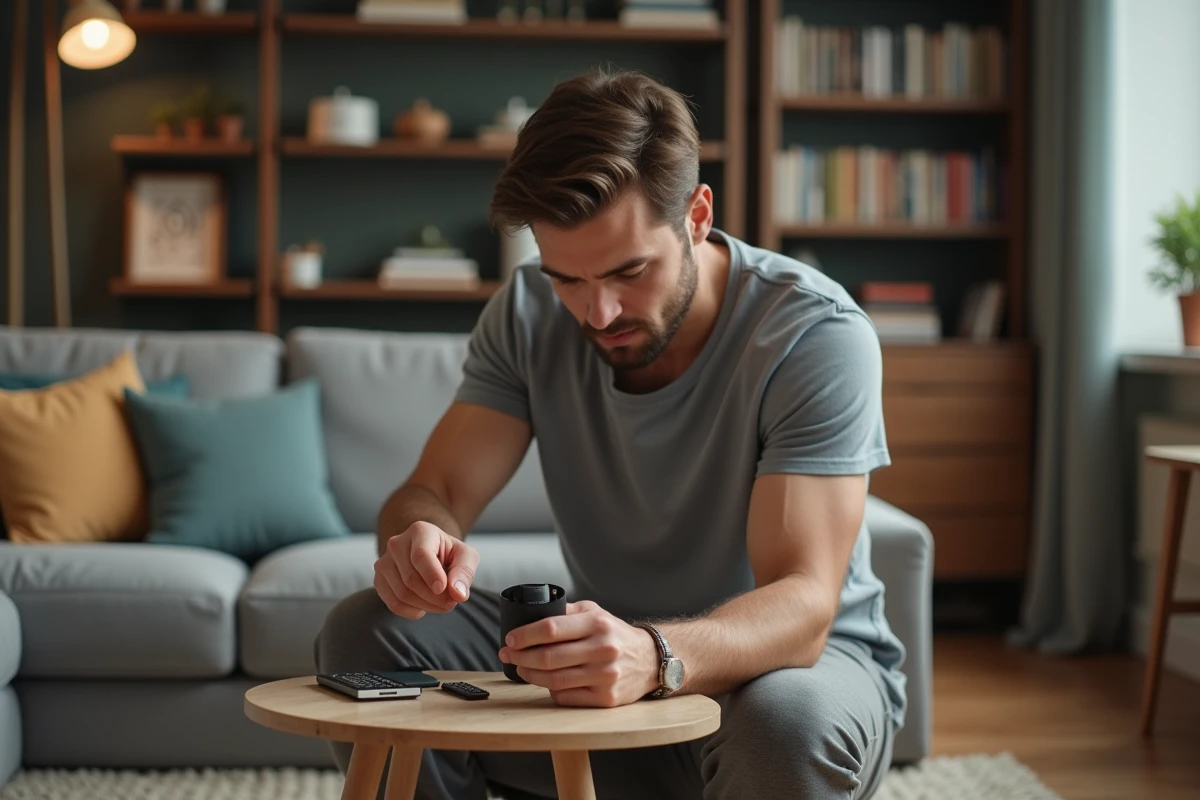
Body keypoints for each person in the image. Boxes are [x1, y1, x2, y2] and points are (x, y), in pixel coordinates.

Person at [316, 68, 906, 800]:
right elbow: (432, 491)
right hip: (610, 671)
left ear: (696, 215)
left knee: (782, 721)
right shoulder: (527, 312)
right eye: (567, 277)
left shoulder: (813, 335)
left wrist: (655, 656)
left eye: (630, 271)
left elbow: (803, 607)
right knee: (365, 631)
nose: (598, 313)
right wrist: (418, 541)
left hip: (790, 681)